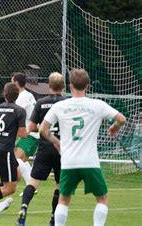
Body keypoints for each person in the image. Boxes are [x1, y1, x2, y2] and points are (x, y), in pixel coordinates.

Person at [39, 69, 126, 226]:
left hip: (68, 161)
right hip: (89, 162)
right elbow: (121, 119)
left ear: (70, 86)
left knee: (64, 200)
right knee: (102, 198)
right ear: (87, 85)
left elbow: (42, 130)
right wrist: (115, 127)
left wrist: (56, 142)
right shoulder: (97, 105)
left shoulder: (60, 106)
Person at [16, 72, 66, 226]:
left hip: (44, 148)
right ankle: (53, 218)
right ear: (63, 86)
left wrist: (43, 129)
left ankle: (24, 208)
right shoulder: (68, 103)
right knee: (59, 185)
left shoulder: (41, 102)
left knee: (33, 182)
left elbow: (31, 127)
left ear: (49, 86)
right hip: (62, 149)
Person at [11, 72, 38, 188]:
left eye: (12, 82)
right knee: (23, 161)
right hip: (33, 133)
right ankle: (31, 185)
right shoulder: (29, 95)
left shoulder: (21, 98)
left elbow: (18, 118)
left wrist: (13, 136)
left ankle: (30, 185)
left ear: (16, 83)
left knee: (15, 158)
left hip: (28, 133)